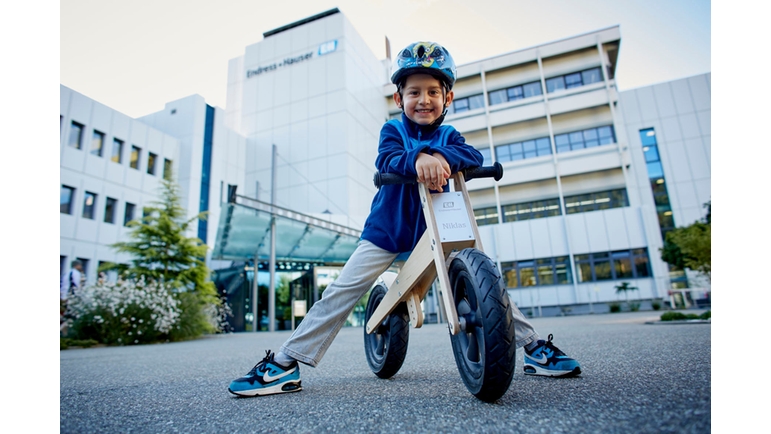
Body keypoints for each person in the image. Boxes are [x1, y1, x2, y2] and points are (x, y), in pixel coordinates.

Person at [228, 42, 580, 397]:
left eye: (432, 92)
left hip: (436, 229)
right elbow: (388, 161)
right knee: (341, 290)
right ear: (399, 99)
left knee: (485, 280)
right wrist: (418, 160)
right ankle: (286, 362)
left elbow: (471, 155)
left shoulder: (449, 135)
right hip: (386, 232)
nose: (423, 99)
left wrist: (438, 154)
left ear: (448, 98)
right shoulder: (392, 132)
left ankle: (533, 347)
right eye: (414, 92)